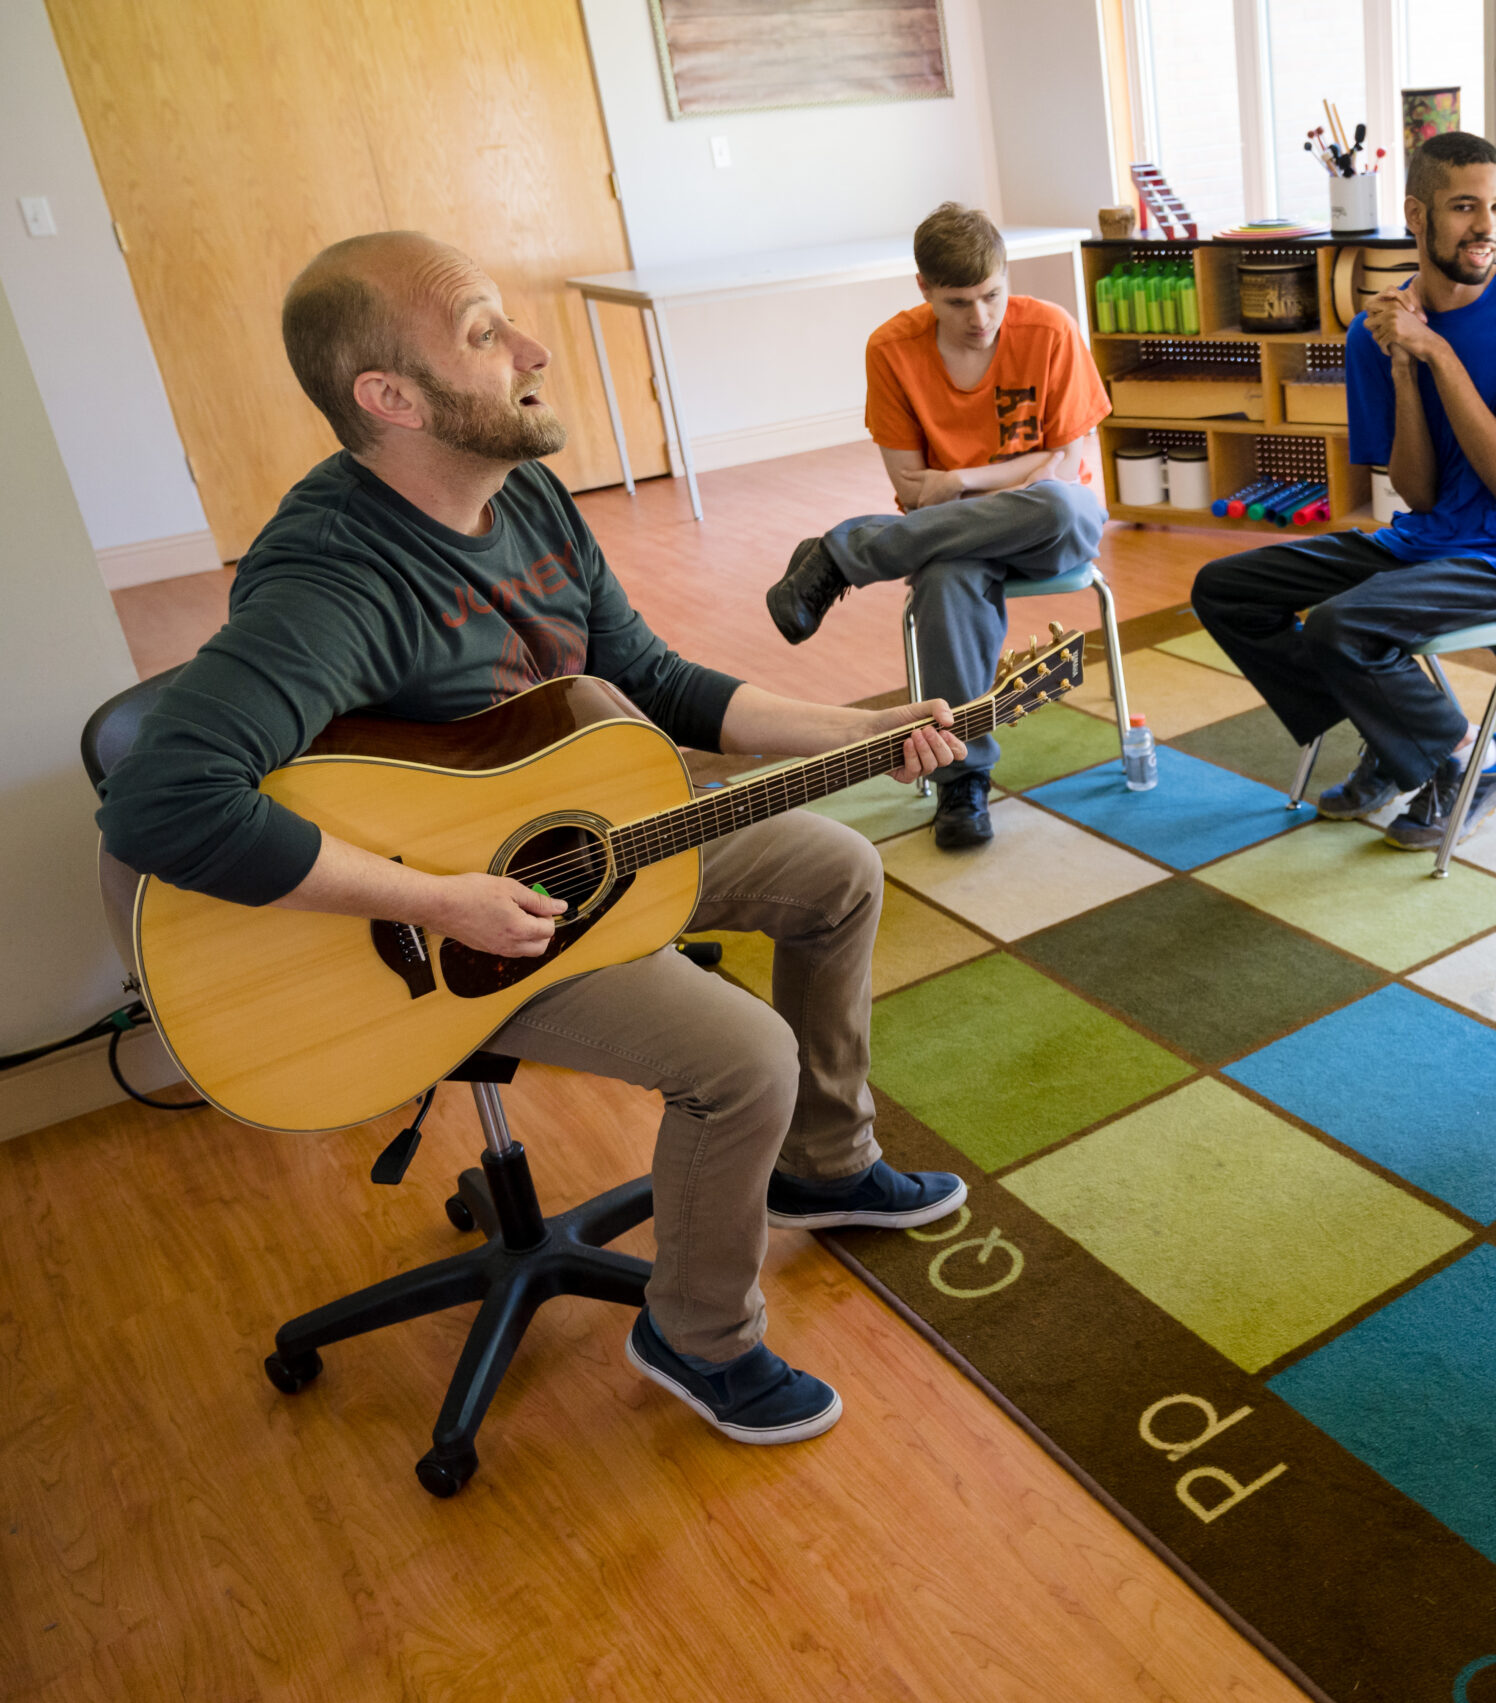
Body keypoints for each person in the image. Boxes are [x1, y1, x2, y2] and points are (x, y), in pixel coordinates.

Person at [97, 232, 973, 1448]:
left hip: (570, 845)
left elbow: (649, 677)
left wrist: (865, 729)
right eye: (479, 334)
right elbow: (162, 803)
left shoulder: (529, 496)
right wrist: (445, 898)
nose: (532, 350)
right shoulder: (336, 579)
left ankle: (825, 1166)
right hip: (425, 935)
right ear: (390, 399)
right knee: (741, 1057)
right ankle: (696, 1333)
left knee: (836, 866)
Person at [1190, 131, 1496, 851]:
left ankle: (1478, 759)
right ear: (1416, 212)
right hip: (1426, 540)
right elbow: (1420, 494)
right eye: (1465, 207)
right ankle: (1395, 732)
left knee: (1342, 625)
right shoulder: (1374, 331)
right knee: (1225, 589)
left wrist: (1434, 351)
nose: (1487, 227)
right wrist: (1403, 367)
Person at [764, 204, 1111, 851]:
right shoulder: (891, 350)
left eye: (992, 295)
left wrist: (964, 480)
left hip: (1050, 529)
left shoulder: (1051, 331)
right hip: (954, 540)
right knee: (946, 579)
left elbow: (1068, 465)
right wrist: (1008, 474)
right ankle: (961, 780)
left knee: (1063, 505)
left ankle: (845, 554)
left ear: (1007, 277)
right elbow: (911, 489)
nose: (980, 318)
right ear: (924, 289)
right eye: (959, 302)